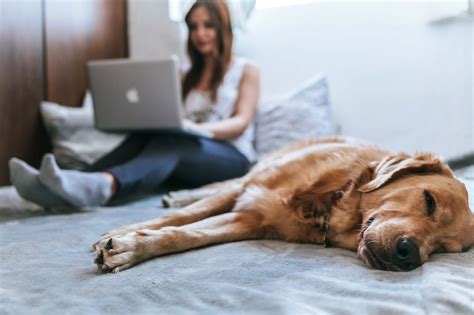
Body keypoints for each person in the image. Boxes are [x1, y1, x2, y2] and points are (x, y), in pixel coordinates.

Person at [9, 0, 259, 208]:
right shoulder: (183, 73)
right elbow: (169, 114)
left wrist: (194, 128)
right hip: (186, 149)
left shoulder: (246, 69)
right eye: (193, 27)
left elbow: (241, 122)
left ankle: (104, 185)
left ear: (223, 27)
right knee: (148, 136)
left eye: (208, 26)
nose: (199, 34)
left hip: (231, 157)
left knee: (173, 141)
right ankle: (66, 184)